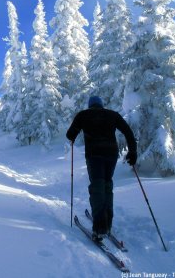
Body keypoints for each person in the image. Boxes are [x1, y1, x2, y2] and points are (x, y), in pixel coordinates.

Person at [66, 96, 137, 240]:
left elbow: (70, 134)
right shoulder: (112, 115)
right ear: (101, 104)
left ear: (90, 105)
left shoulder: (83, 115)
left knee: (97, 186)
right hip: (111, 155)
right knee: (106, 185)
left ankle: (100, 227)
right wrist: (132, 152)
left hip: (94, 155)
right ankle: (107, 223)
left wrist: (74, 134)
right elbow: (128, 132)